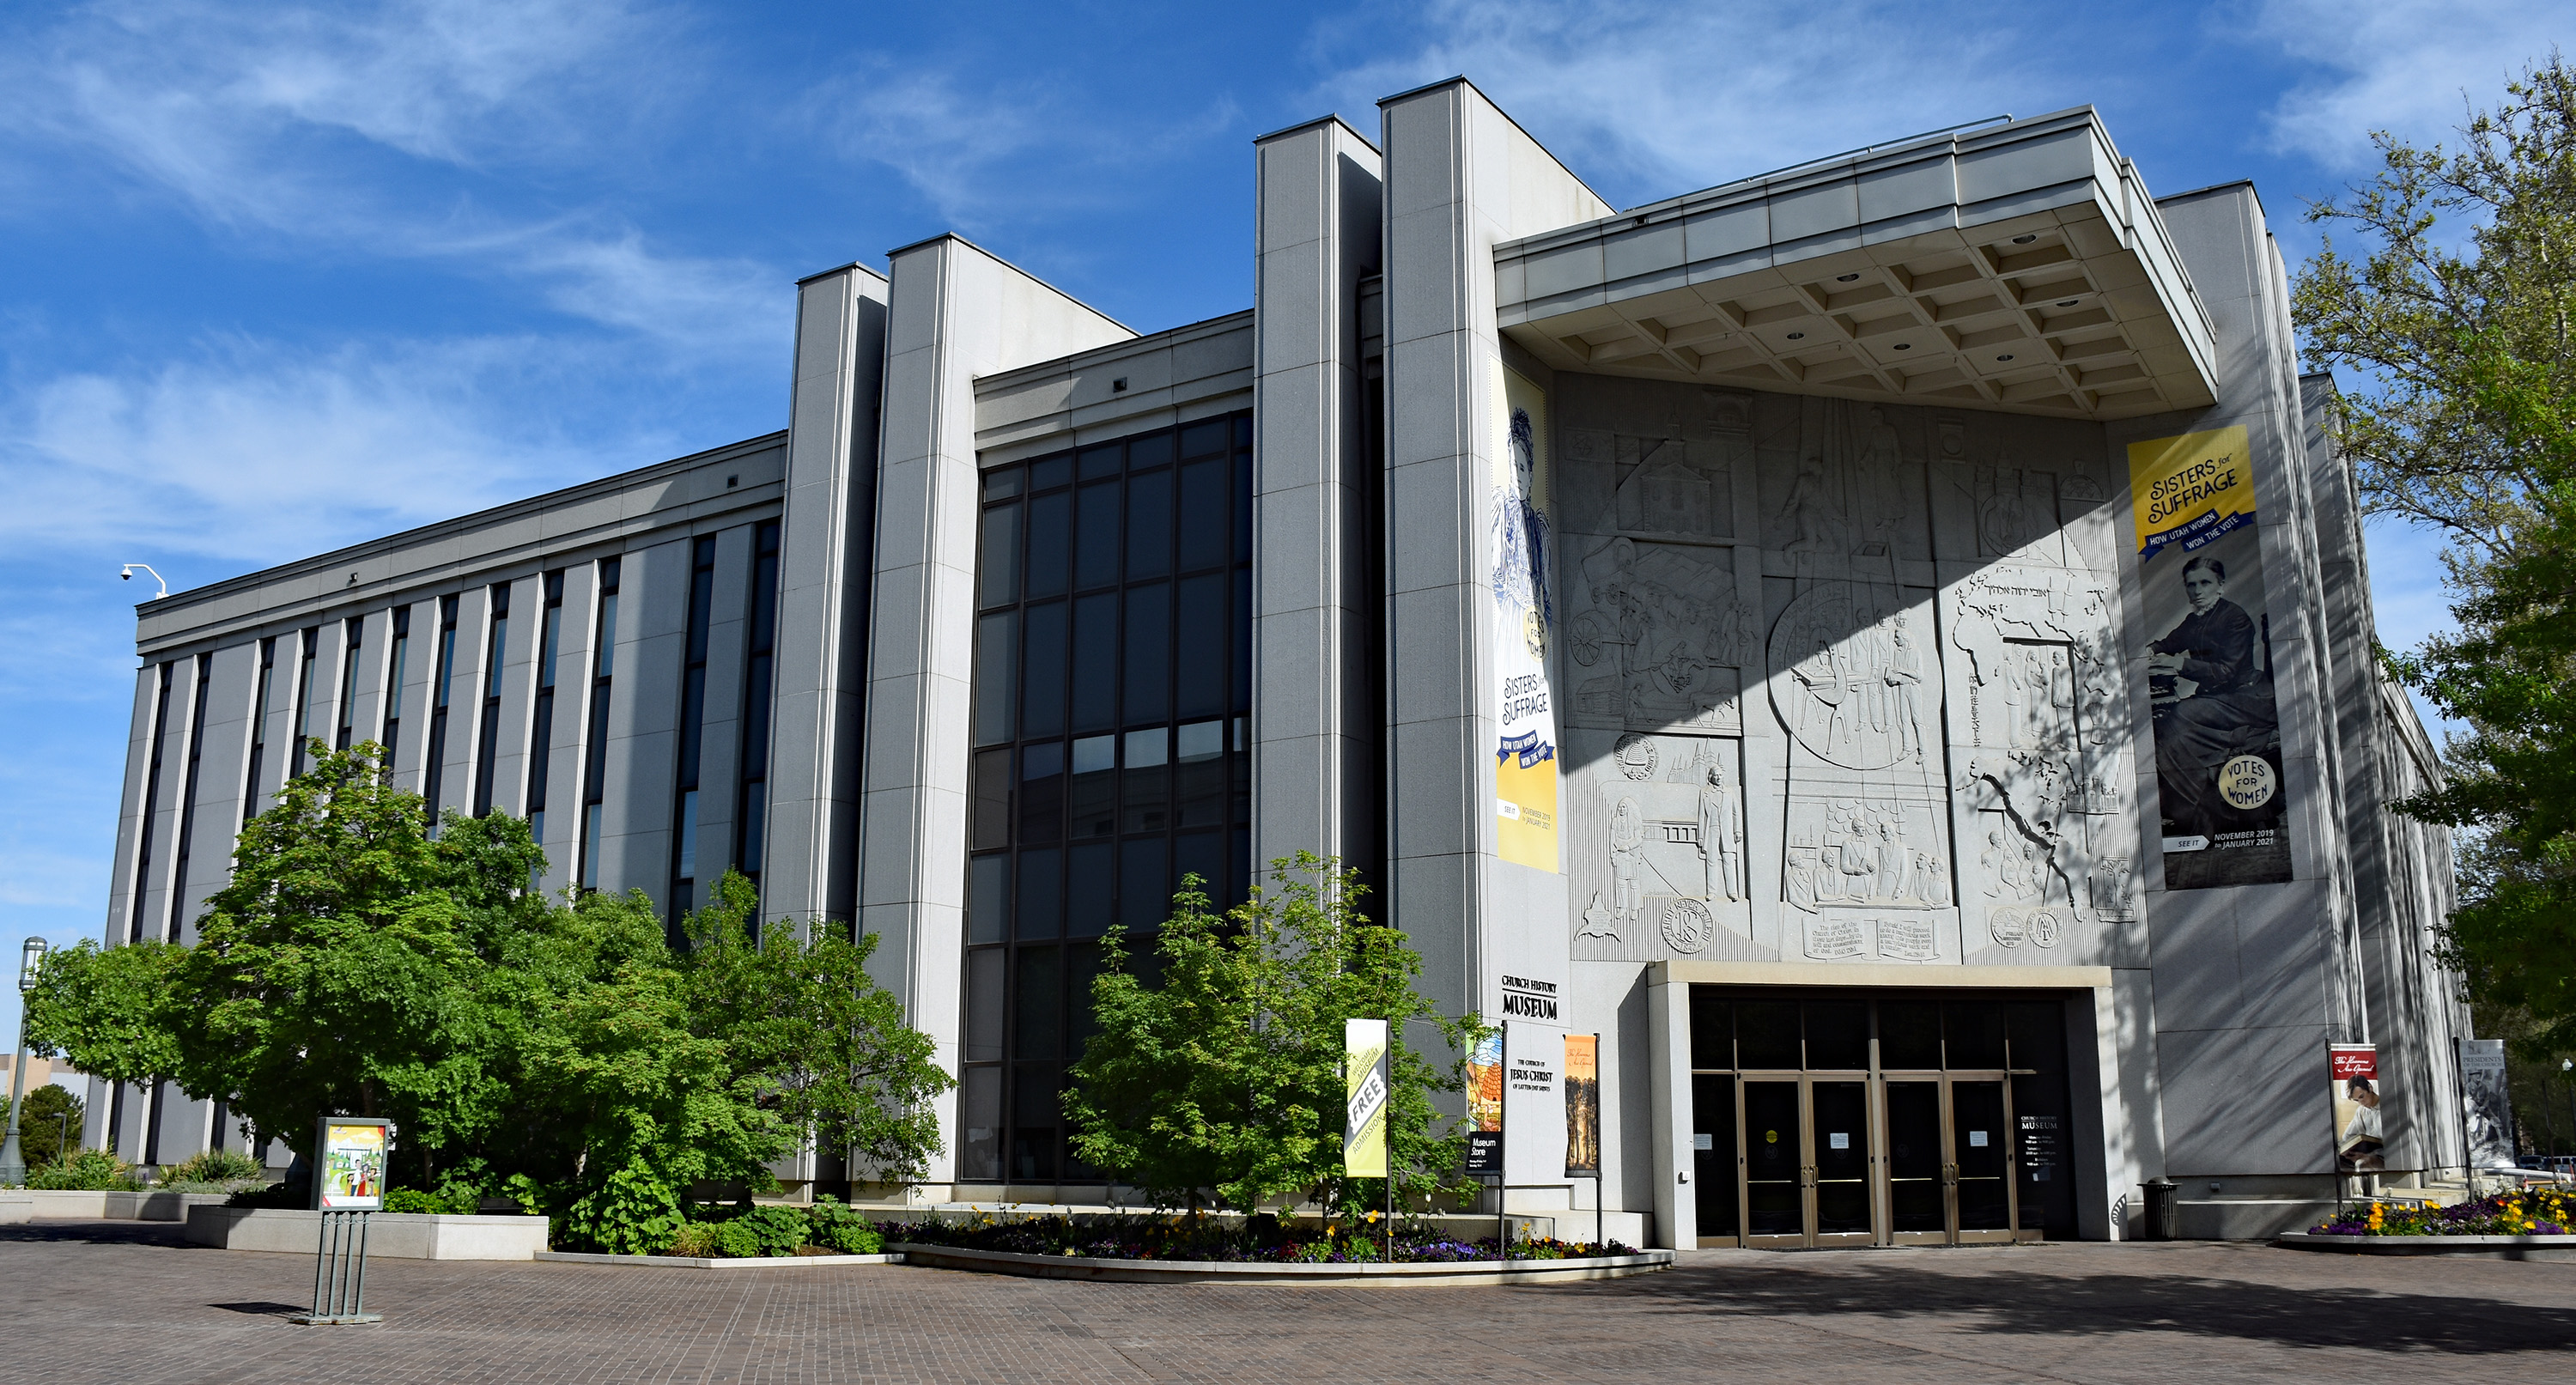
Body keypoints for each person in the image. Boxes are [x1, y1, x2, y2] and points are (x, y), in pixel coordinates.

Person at [2145, 556, 2279, 831]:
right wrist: (2149, 650)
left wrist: (2179, 663)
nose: (2197, 591)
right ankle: (2194, 809)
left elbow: (2226, 672)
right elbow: (2168, 642)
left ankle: (2203, 813)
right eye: (2190, 585)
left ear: (2221, 585)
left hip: (2247, 698)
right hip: (2216, 699)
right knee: (2162, 724)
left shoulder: (2236, 618)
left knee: (2180, 714)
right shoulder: (2195, 620)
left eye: (2205, 583)